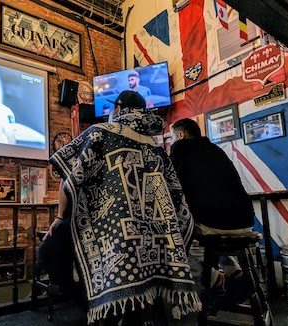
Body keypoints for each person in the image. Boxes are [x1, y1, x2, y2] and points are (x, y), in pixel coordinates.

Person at [44, 91, 200, 325]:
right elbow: (176, 196)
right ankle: (134, 308)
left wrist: (59, 217)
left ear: (118, 109)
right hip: (157, 235)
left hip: (112, 232)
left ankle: (96, 303)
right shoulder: (154, 144)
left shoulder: (99, 133)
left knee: (49, 250)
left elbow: (68, 180)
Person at [169, 118, 255, 289]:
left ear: (180, 135)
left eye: (171, 138)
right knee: (206, 228)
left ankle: (212, 278)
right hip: (245, 222)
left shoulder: (179, 149)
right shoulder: (216, 149)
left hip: (216, 226)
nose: (171, 142)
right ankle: (233, 271)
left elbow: (171, 188)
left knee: (168, 241)